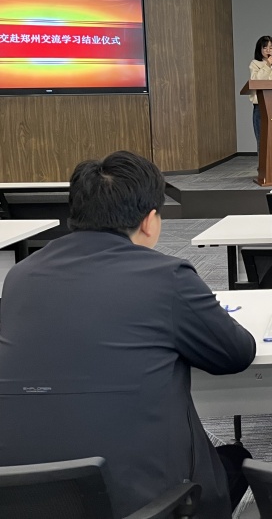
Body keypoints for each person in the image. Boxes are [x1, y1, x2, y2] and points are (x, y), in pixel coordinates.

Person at [0, 151, 256, 519]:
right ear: (150, 221)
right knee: (236, 460)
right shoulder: (167, 276)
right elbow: (236, 354)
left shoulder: (21, 276)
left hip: (23, 497)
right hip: (145, 505)